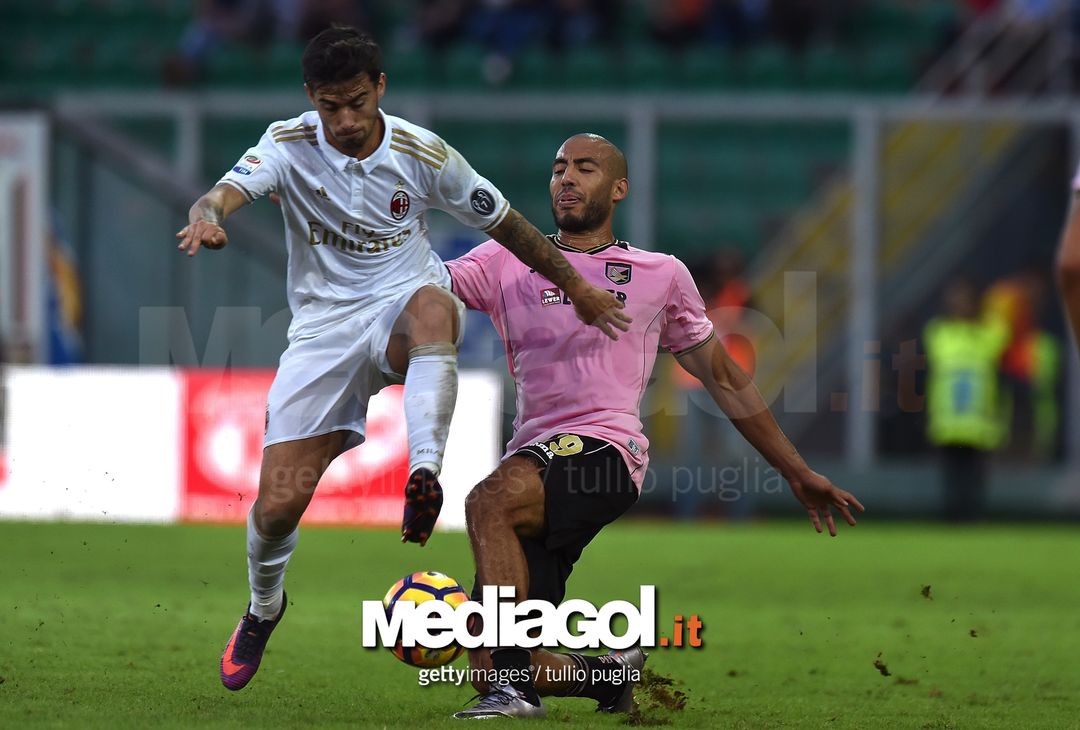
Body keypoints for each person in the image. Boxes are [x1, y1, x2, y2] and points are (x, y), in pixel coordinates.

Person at [176, 26, 630, 692]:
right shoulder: (287, 144)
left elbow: (509, 226)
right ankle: (264, 608)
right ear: (311, 98)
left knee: (434, 307)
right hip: (322, 333)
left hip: (400, 304)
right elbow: (220, 194)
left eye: (358, 101)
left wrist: (579, 284)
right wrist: (208, 216)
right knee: (275, 507)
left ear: (380, 87)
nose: (347, 119)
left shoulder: (423, 153)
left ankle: (423, 473)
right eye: (332, 106)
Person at [445, 133, 863, 719]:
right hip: (536, 455)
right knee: (493, 653)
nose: (566, 178)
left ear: (618, 188)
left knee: (488, 501)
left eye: (584, 169)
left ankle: (511, 694)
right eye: (559, 168)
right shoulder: (504, 259)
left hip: (605, 453)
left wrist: (795, 470)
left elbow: (725, 377)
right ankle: (607, 675)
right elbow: (427, 290)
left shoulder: (658, 275)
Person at [923, 278, 1010, 522]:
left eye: (964, 298)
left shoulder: (988, 334)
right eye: (955, 298)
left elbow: (1001, 332)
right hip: (948, 421)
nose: (959, 303)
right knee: (951, 474)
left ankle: (974, 515)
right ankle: (951, 515)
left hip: (979, 421)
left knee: (976, 474)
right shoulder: (939, 332)